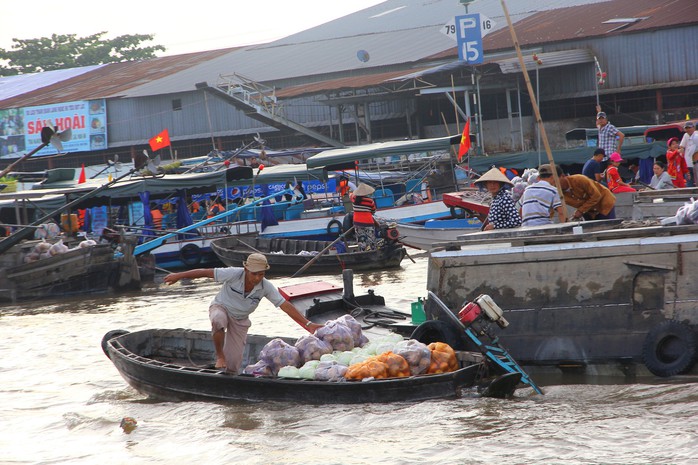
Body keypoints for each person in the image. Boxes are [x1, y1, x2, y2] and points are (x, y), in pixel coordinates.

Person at [163, 253, 324, 373]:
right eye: (254, 274)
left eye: (261, 274)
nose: (257, 278)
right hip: (221, 307)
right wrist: (178, 276)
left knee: (233, 366)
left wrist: (308, 324)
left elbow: (284, 305)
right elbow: (205, 272)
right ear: (246, 269)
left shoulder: (265, 286)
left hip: (240, 320)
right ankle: (220, 356)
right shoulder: (234, 273)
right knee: (218, 320)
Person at [351, 183, 378, 251]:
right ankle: (372, 251)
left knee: (361, 241)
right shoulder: (370, 201)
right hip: (368, 222)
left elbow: (351, 195)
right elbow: (373, 211)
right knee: (371, 240)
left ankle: (362, 252)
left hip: (357, 222)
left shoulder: (354, 199)